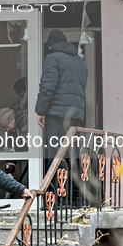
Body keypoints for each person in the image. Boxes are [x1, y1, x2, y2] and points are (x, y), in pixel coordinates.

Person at [35, 29, 88, 163]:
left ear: (50, 45)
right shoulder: (80, 62)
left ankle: (54, 184)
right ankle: (73, 183)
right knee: (73, 153)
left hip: (57, 114)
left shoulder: (53, 58)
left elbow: (47, 86)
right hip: (76, 114)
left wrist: (40, 111)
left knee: (56, 153)